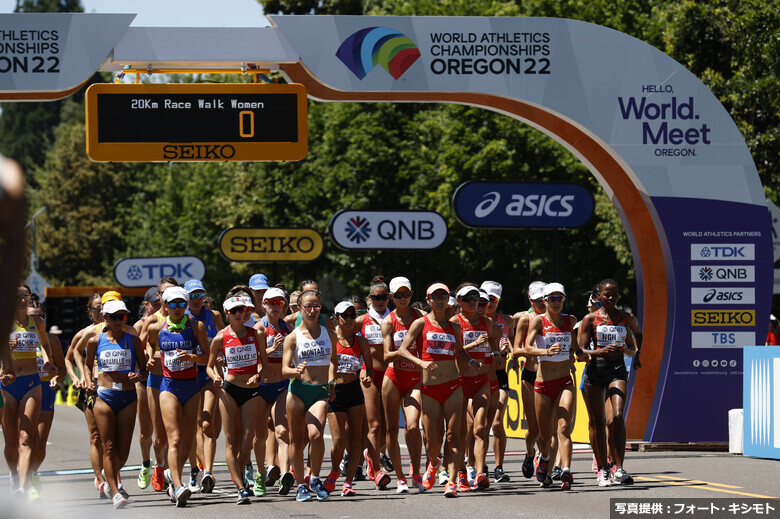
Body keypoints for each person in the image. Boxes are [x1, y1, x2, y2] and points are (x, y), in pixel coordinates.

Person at [397, 282, 480, 498]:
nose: (440, 300)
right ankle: (434, 463)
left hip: (453, 386)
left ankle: (451, 482)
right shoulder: (420, 323)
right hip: (429, 388)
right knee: (433, 442)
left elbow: (460, 351)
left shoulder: (455, 327)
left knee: (453, 436)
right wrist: (421, 363)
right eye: (436, 297)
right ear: (428, 300)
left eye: (444, 296)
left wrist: (470, 361)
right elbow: (403, 350)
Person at [146, 286, 210, 507]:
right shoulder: (156, 327)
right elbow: (147, 343)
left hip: (191, 387)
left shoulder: (196, 326)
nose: (177, 308)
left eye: (181, 303)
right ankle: (177, 484)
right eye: (172, 304)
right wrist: (149, 357)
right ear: (164, 305)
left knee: (187, 440)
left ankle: (174, 479)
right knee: (173, 438)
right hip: (169, 386)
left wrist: (192, 356)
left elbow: (207, 357)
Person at [84, 299, 147, 508]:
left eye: (122, 316)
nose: (118, 321)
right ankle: (115, 492)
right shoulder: (95, 341)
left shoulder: (134, 340)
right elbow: (86, 365)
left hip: (128, 396)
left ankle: (106, 471)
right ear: (105, 319)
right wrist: (87, 382)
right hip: (104, 396)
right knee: (108, 446)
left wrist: (138, 375)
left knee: (123, 452)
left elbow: (143, 369)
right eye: (113, 317)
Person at [577, 279, 638, 486]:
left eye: (614, 294)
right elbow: (579, 353)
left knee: (618, 417)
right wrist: (599, 352)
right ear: (599, 297)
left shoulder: (625, 318)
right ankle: (602, 469)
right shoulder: (589, 319)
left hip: (617, 369)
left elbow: (633, 343)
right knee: (598, 421)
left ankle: (619, 468)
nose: (611, 298)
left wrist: (634, 354)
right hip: (596, 370)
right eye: (606, 295)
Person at [524, 282, 583, 491]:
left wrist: (579, 354)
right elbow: (527, 348)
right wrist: (545, 353)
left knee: (564, 428)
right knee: (544, 433)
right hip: (542, 383)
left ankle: (566, 470)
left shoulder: (570, 320)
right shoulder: (538, 322)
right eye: (552, 299)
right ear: (545, 301)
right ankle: (545, 457)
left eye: (560, 298)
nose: (556, 302)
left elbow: (575, 347)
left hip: (564, 381)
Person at [207, 294, 264, 505]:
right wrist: (215, 377)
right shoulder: (221, 337)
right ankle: (240, 487)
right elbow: (209, 365)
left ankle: (239, 473)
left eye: (242, 310)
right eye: (234, 311)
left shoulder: (256, 333)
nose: (239, 314)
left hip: (250, 389)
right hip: (228, 389)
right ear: (227, 314)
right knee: (231, 441)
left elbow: (263, 363)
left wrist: (258, 375)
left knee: (247, 442)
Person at [281, 289, 337, 502]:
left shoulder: (329, 334)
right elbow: (285, 369)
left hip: (319, 391)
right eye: (308, 306)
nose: (312, 311)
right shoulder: (292, 338)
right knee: (296, 440)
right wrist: (294, 372)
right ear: (299, 309)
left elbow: (334, 362)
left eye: (316, 306)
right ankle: (301, 485)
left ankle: (314, 477)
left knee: (315, 435)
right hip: (297, 392)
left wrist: (331, 383)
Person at [2, 283, 55, 500]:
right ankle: (14, 475)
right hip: (7, 384)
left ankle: (22, 488)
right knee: (11, 443)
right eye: (17, 296)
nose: (22, 299)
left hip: (32, 383)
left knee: (26, 438)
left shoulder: (38, 322)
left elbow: (44, 344)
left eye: (26, 295)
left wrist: (48, 362)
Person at [322, 301, 373, 496]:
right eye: (346, 316)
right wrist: (329, 384)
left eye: (353, 316)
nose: (350, 320)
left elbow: (369, 367)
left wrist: (367, 376)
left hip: (354, 390)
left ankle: (349, 482)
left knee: (355, 441)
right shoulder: (330, 339)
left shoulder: (361, 342)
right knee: (338, 442)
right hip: (335, 391)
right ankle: (335, 472)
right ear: (336, 318)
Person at [381, 276, 426, 493]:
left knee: (412, 425)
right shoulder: (388, 321)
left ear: (411, 294)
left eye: (405, 294)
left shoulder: (422, 317)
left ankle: (416, 472)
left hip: (415, 380)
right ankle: (399, 478)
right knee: (391, 429)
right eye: (398, 295)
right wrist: (406, 352)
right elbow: (387, 356)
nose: (402, 298)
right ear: (391, 297)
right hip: (394, 378)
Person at [64, 293, 111, 498]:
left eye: (103, 307)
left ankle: (110, 475)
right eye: (96, 308)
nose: (100, 312)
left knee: (109, 436)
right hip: (90, 387)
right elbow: (71, 355)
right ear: (89, 310)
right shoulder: (87, 332)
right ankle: (100, 478)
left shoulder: (117, 329)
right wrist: (79, 377)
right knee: (95, 436)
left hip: (110, 385)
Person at [453, 284, 496, 492]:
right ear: (459, 301)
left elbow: (492, 351)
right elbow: (452, 352)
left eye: (475, 297)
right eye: (467, 297)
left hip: (481, 380)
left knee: (480, 428)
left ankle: (479, 473)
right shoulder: (454, 322)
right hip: (460, 381)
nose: (472, 300)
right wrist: (473, 345)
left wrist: (502, 352)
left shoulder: (487, 322)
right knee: (461, 432)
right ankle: (461, 472)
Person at [184, 279, 224, 493]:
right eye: (193, 295)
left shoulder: (214, 316)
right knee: (198, 424)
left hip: (210, 374)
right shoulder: (182, 318)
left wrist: (222, 357)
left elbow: (226, 337)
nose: (197, 299)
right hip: (190, 375)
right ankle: (199, 468)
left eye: (200, 294)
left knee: (209, 426)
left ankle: (207, 471)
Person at [138, 277, 178, 492]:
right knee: (160, 436)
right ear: (160, 296)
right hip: (156, 378)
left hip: (180, 379)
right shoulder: (153, 320)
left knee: (176, 434)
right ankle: (159, 466)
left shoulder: (185, 317)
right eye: (166, 293)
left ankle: (176, 480)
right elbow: (141, 346)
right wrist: (148, 356)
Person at [354, 276, 393, 489]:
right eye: (376, 297)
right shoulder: (361, 320)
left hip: (389, 375)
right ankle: (373, 467)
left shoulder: (394, 318)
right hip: (368, 374)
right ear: (369, 298)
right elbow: (342, 338)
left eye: (384, 297)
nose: (380, 301)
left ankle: (373, 455)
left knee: (386, 426)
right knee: (372, 425)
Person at [253, 287, 291, 497]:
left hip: (282, 385)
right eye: (272, 303)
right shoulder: (259, 328)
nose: (276, 307)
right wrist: (270, 349)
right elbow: (253, 359)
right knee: (259, 435)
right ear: (264, 304)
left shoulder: (288, 327)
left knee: (282, 431)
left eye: (280, 304)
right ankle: (260, 474)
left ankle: (285, 474)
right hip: (261, 386)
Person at [27, 296, 66, 498]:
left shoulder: (51, 340)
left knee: (40, 446)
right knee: (25, 440)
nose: (38, 320)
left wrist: (56, 378)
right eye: (33, 317)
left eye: (41, 316)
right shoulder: (16, 338)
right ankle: (23, 479)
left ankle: (32, 471)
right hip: (23, 390)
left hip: (45, 391)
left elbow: (63, 368)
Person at [480, 280, 514, 483]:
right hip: (479, 376)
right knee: (480, 424)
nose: (489, 303)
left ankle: (499, 467)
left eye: (493, 299)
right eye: (486, 299)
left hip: (500, 375)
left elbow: (515, 345)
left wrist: (508, 350)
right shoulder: (473, 320)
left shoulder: (508, 321)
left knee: (497, 422)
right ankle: (479, 463)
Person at [512, 281, 547, 480]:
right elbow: (516, 348)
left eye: (544, 299)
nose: (541, 304)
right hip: (530, 374)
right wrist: (532, 350)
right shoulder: (526, 319)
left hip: (551, 375)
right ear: (530, 300)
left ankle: (547, 463)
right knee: (533, 428)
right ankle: (530, 454)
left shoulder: (556, 319)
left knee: (547, 426)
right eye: (537, 300)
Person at [132, 287, 160, 490]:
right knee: (145, 431)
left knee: (163, 430)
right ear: (146, 305)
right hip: (143, 380)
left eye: (161, 303)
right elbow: (134, 350)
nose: (159, 307)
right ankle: (145, 463)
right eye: (155, 304)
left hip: (164, 379)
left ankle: (161, 467)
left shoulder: (175, 322)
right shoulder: (140, 324)